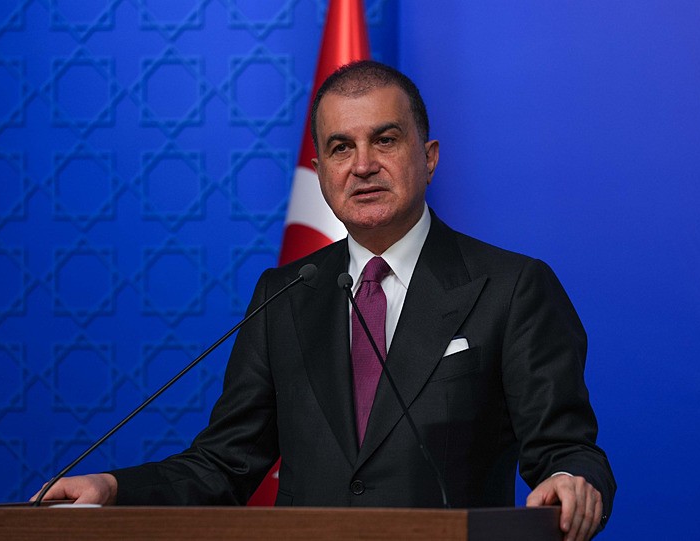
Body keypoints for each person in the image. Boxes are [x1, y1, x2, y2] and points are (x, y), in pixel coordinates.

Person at [35, 60, 615, 541]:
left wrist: (570, 479)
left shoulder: (512, 288)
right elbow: (224, 463)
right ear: (321, 172)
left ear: (430, 156)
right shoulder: (284, 295)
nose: (363, 165)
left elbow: (566, 450)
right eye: (341, 147)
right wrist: (114, 489)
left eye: (385, 139)